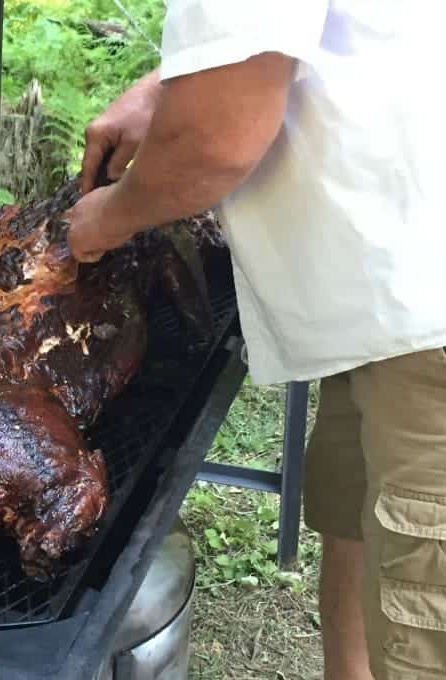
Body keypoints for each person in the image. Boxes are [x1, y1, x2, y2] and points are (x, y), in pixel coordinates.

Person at [65, 2, 446, 679]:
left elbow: (213, 144)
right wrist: (168, 85)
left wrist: (110, 219)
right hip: (389, 302)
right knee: (357, 523)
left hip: (425, 310)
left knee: (422, 616)